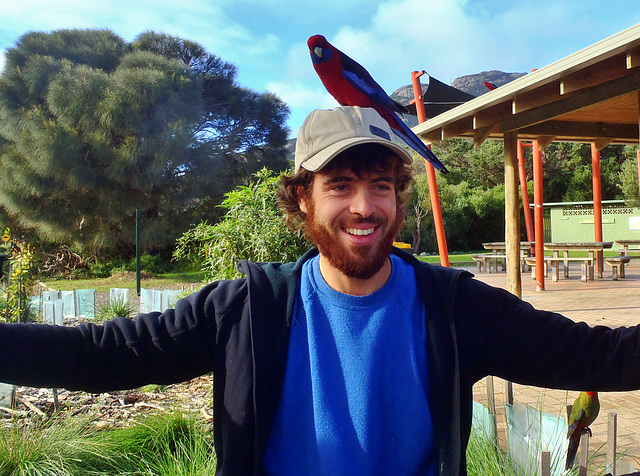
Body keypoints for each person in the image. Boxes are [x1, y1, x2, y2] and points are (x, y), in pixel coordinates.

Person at [1, 105, 640, 476]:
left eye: (381, 185)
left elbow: (593, 354)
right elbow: (100, 353)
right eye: (340, 185)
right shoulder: (246, 310)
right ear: (302, 198)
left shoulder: (452, 308)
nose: (364, 208)